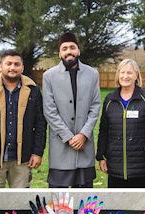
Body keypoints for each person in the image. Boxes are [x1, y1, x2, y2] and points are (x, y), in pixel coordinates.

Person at [0, 49, 46, 188]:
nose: (12, 68)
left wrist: (37, 152)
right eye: (8, 64)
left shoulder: (33, 91)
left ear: (22, 67)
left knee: (19, 202)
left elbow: (41, 124)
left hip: (22, 159)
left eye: (16, 64)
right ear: (1, 66)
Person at [42, 32, 101, 188]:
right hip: (61, 148)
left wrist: (83, 135)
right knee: (59, 202)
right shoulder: (49, 76)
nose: (69, 51)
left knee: (84, 204)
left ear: (78, 51)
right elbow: (49, 110)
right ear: (60, 53)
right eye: (65, 48)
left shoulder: (92, 74)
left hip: (84, 147)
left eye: (72, 47)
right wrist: (68, 137)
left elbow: (95, 106)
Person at [96, 59, 145, 187]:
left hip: (142, 168)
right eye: (122, 72)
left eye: (129, 72)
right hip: (115, 168)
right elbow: (104, 130)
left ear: (137, 75)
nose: (125, 76)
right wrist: (101, 156)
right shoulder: (110, 99)